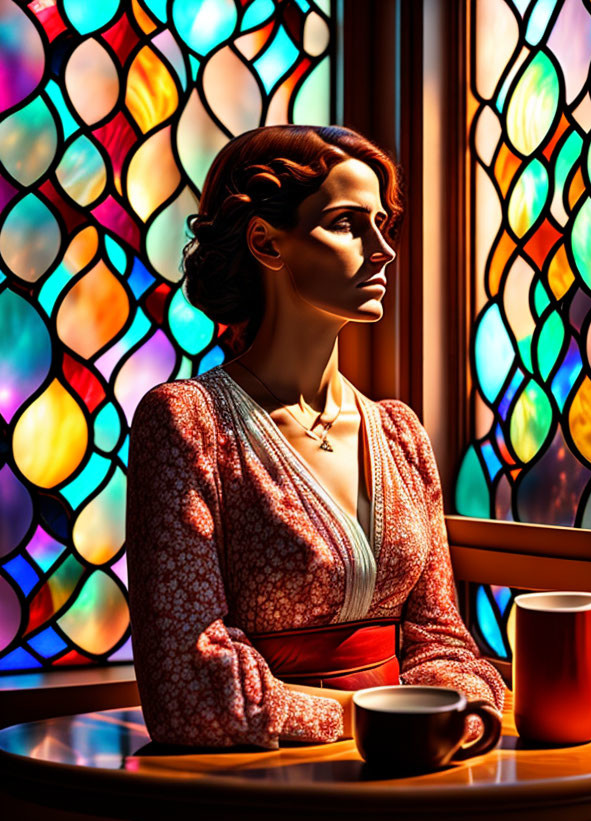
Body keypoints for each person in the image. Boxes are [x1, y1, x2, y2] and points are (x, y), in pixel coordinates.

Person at [126, 124, 505, 750]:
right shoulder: (187, 424)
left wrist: (458, 713)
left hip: (411, 777)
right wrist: (380, 720)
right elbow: (189, 689)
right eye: (350, 223)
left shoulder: (400, 433)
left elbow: (443, 641)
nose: (383, 248)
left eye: (382, 222)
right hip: (249, 795)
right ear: (267, 243)